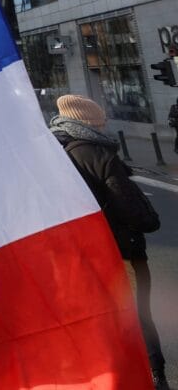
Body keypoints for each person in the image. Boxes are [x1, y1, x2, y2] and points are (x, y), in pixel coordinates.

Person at [50, 94, 168, 390]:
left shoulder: (52, 153)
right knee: (139, 317)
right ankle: (154, 377)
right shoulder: (99, 155)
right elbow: (136, 213)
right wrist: (150, 220)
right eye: (100, 121)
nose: (104, 125)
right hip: (119, 253)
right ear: (90, 122)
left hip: (76, 257)